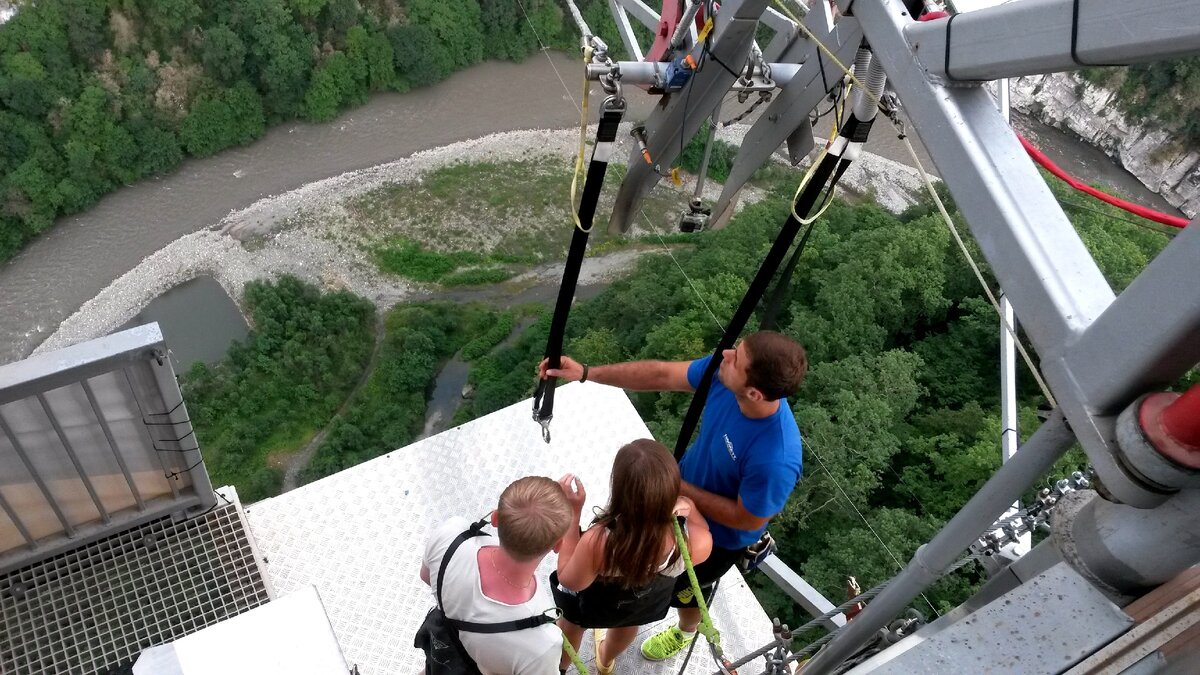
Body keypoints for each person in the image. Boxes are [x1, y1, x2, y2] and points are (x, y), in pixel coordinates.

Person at [539, 330, 806, 662]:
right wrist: (586, 373)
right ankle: (641, 629)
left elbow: (747, 519)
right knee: (658, 586)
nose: (725, 355)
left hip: (716, 538)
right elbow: (662, 373)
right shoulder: (725, 376)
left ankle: (685, 631)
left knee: (688, 592)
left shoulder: (776, 457)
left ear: (753, 392)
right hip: (675, 503)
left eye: (736, 358)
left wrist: (677, 487)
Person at [553, 439, 712, 674]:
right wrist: (692, 508)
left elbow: (569, 579)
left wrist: (573, 514)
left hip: (599, 604)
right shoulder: (689, 545)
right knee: (627, 625)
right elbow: (705, 533)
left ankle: (560, 669)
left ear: (619, 491)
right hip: (640, 606)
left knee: (572, 626)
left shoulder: (600, 542)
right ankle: (605, 661)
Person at [420, 476, 574, 674]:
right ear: (558, 546)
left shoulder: (450, 535)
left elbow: (426, 576)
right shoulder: (543, 642)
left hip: (441, 655)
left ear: (494, 518)